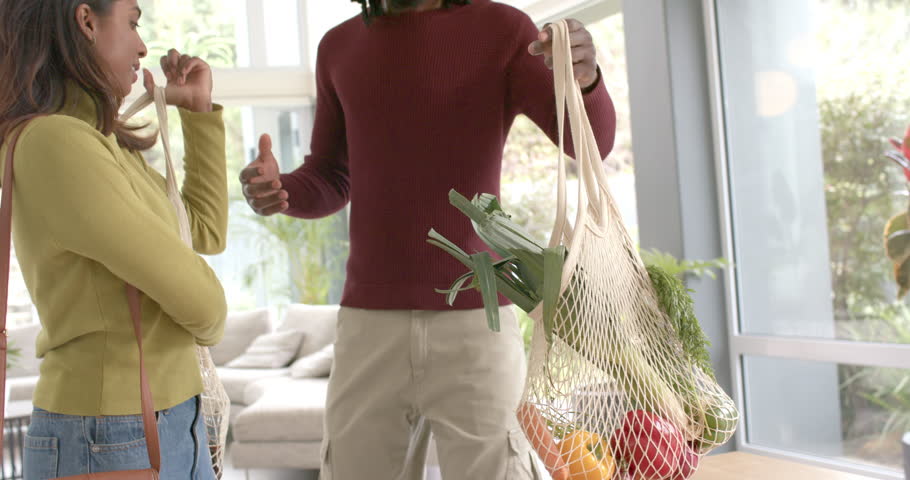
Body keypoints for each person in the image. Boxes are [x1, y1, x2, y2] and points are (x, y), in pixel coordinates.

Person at [239, 0, 616, 478]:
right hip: (368, 327)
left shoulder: (503, 29)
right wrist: (281, 190)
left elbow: (591, 144)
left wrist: (584, 80)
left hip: (478, 323)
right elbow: (333, 175)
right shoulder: (338, 46)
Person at [0, 1, 228, 478]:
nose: (143, 45)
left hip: (158, 423)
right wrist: (203, 313)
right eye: (132, 22)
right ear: (85, 21)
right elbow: (204, 303)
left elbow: (202, 232)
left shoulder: (101, 144)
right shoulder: (56, 142)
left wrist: (199, 113)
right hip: (110, 430)